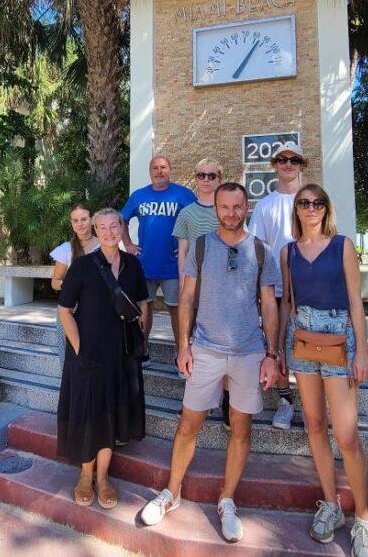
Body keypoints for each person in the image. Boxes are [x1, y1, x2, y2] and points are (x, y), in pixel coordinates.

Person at [139, 182, 281, 543]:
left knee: (241, 428)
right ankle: (172, 493)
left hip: (250, 351)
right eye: (224, 206)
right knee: (189, 424)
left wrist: (272, 355)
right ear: (214, 208)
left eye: (237, 206)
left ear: (246, 207)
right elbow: (185, 298)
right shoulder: (200, 246)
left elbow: (269, 305)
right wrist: (183, 346)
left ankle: (227, 500)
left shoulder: (262, 251)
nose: (231, 213)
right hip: (205, 349)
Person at [278, 184, 368, 557]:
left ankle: (364, 518)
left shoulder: (342, 246)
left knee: (347, 436)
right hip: (302, 343)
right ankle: (330, 504)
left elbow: (356, 301)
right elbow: (287, 302)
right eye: (304, 203)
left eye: (317, 202)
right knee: (315, 426)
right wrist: (280, 349)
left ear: (326, 208)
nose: (311, 208)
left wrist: (362, 352)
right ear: (297, 210)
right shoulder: (288, 252)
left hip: (340, 340)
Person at [57, 208, 149, 510]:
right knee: (89, 413)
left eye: (115, 226)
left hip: (121, 353)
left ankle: (104, 478)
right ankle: (85, 477)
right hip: (88, 352)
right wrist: (79, 347)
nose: (110, 232)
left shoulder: (133, 265)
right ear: (95, 231)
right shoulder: (82, 266)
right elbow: (64, 311)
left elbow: (142, 303)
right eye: (103, 227)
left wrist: (142, 337)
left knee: (112, 413)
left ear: (122, 229)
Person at [248, 141, 308, 430]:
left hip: (310, 290)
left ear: (302, 165)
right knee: (278, 346)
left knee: (311, 347)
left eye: (294, 159)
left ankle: (313, 406)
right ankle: (285, 401)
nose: (287, 164)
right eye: (282, 159)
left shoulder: (312, 201)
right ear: (274, 165)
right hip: (276, 290)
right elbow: (257, 247)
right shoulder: (265, 204)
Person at [171, 158, 230, 426]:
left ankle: (227, 401)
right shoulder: (186, 213)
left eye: (212, 175)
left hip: (224, 290)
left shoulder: (226, 211)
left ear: (219, 179)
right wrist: (185, 284)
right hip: (196, 286)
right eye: (201, 175)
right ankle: (198, 402)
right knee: (194, 341)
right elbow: (182, 251)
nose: (206, 180)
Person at [121, 155, 196, 360]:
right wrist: (127, 244)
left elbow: (198, 219)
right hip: (145, 263)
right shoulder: (139, 196)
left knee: (176, 309)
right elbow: (121, 220)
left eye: (163, 167)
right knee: (144, 307)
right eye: (155, 167)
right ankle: (142, 349)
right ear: (150, 171)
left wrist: (188, 248)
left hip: (174, 265)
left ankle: (180, 351)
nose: (159, 171)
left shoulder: (183, 194)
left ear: (170, 170)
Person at [50, 203, 101, 291]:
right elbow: (55, 282)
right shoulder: (65, 249)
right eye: (75, 220)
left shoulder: (104, 245)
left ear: (92, 220)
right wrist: (73, 285)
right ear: (71, 223)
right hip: (76, 302)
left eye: (84, 219)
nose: (80, 224)